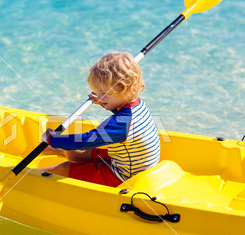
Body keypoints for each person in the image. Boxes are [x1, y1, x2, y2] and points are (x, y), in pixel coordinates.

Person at [40, 52, 160, 187]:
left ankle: (29, 176)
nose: (99, 97)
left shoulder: (121, 123)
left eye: (104, 93)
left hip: (122, 177)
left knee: (64, 168)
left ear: (125, 89)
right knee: (79, 154)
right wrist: (103, 101)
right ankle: (62, 150)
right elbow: (122, 112)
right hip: (132, 163)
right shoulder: (138, 104)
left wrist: (53, 139)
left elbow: (85, 141)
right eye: (98, 92)